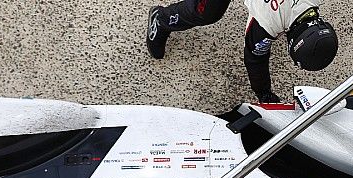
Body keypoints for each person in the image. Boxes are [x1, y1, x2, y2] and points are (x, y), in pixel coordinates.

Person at [145, 0, 338, 103]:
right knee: (207, 11)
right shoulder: (269, 22)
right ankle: (160, 19)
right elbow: (254, 59)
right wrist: (264, 95)